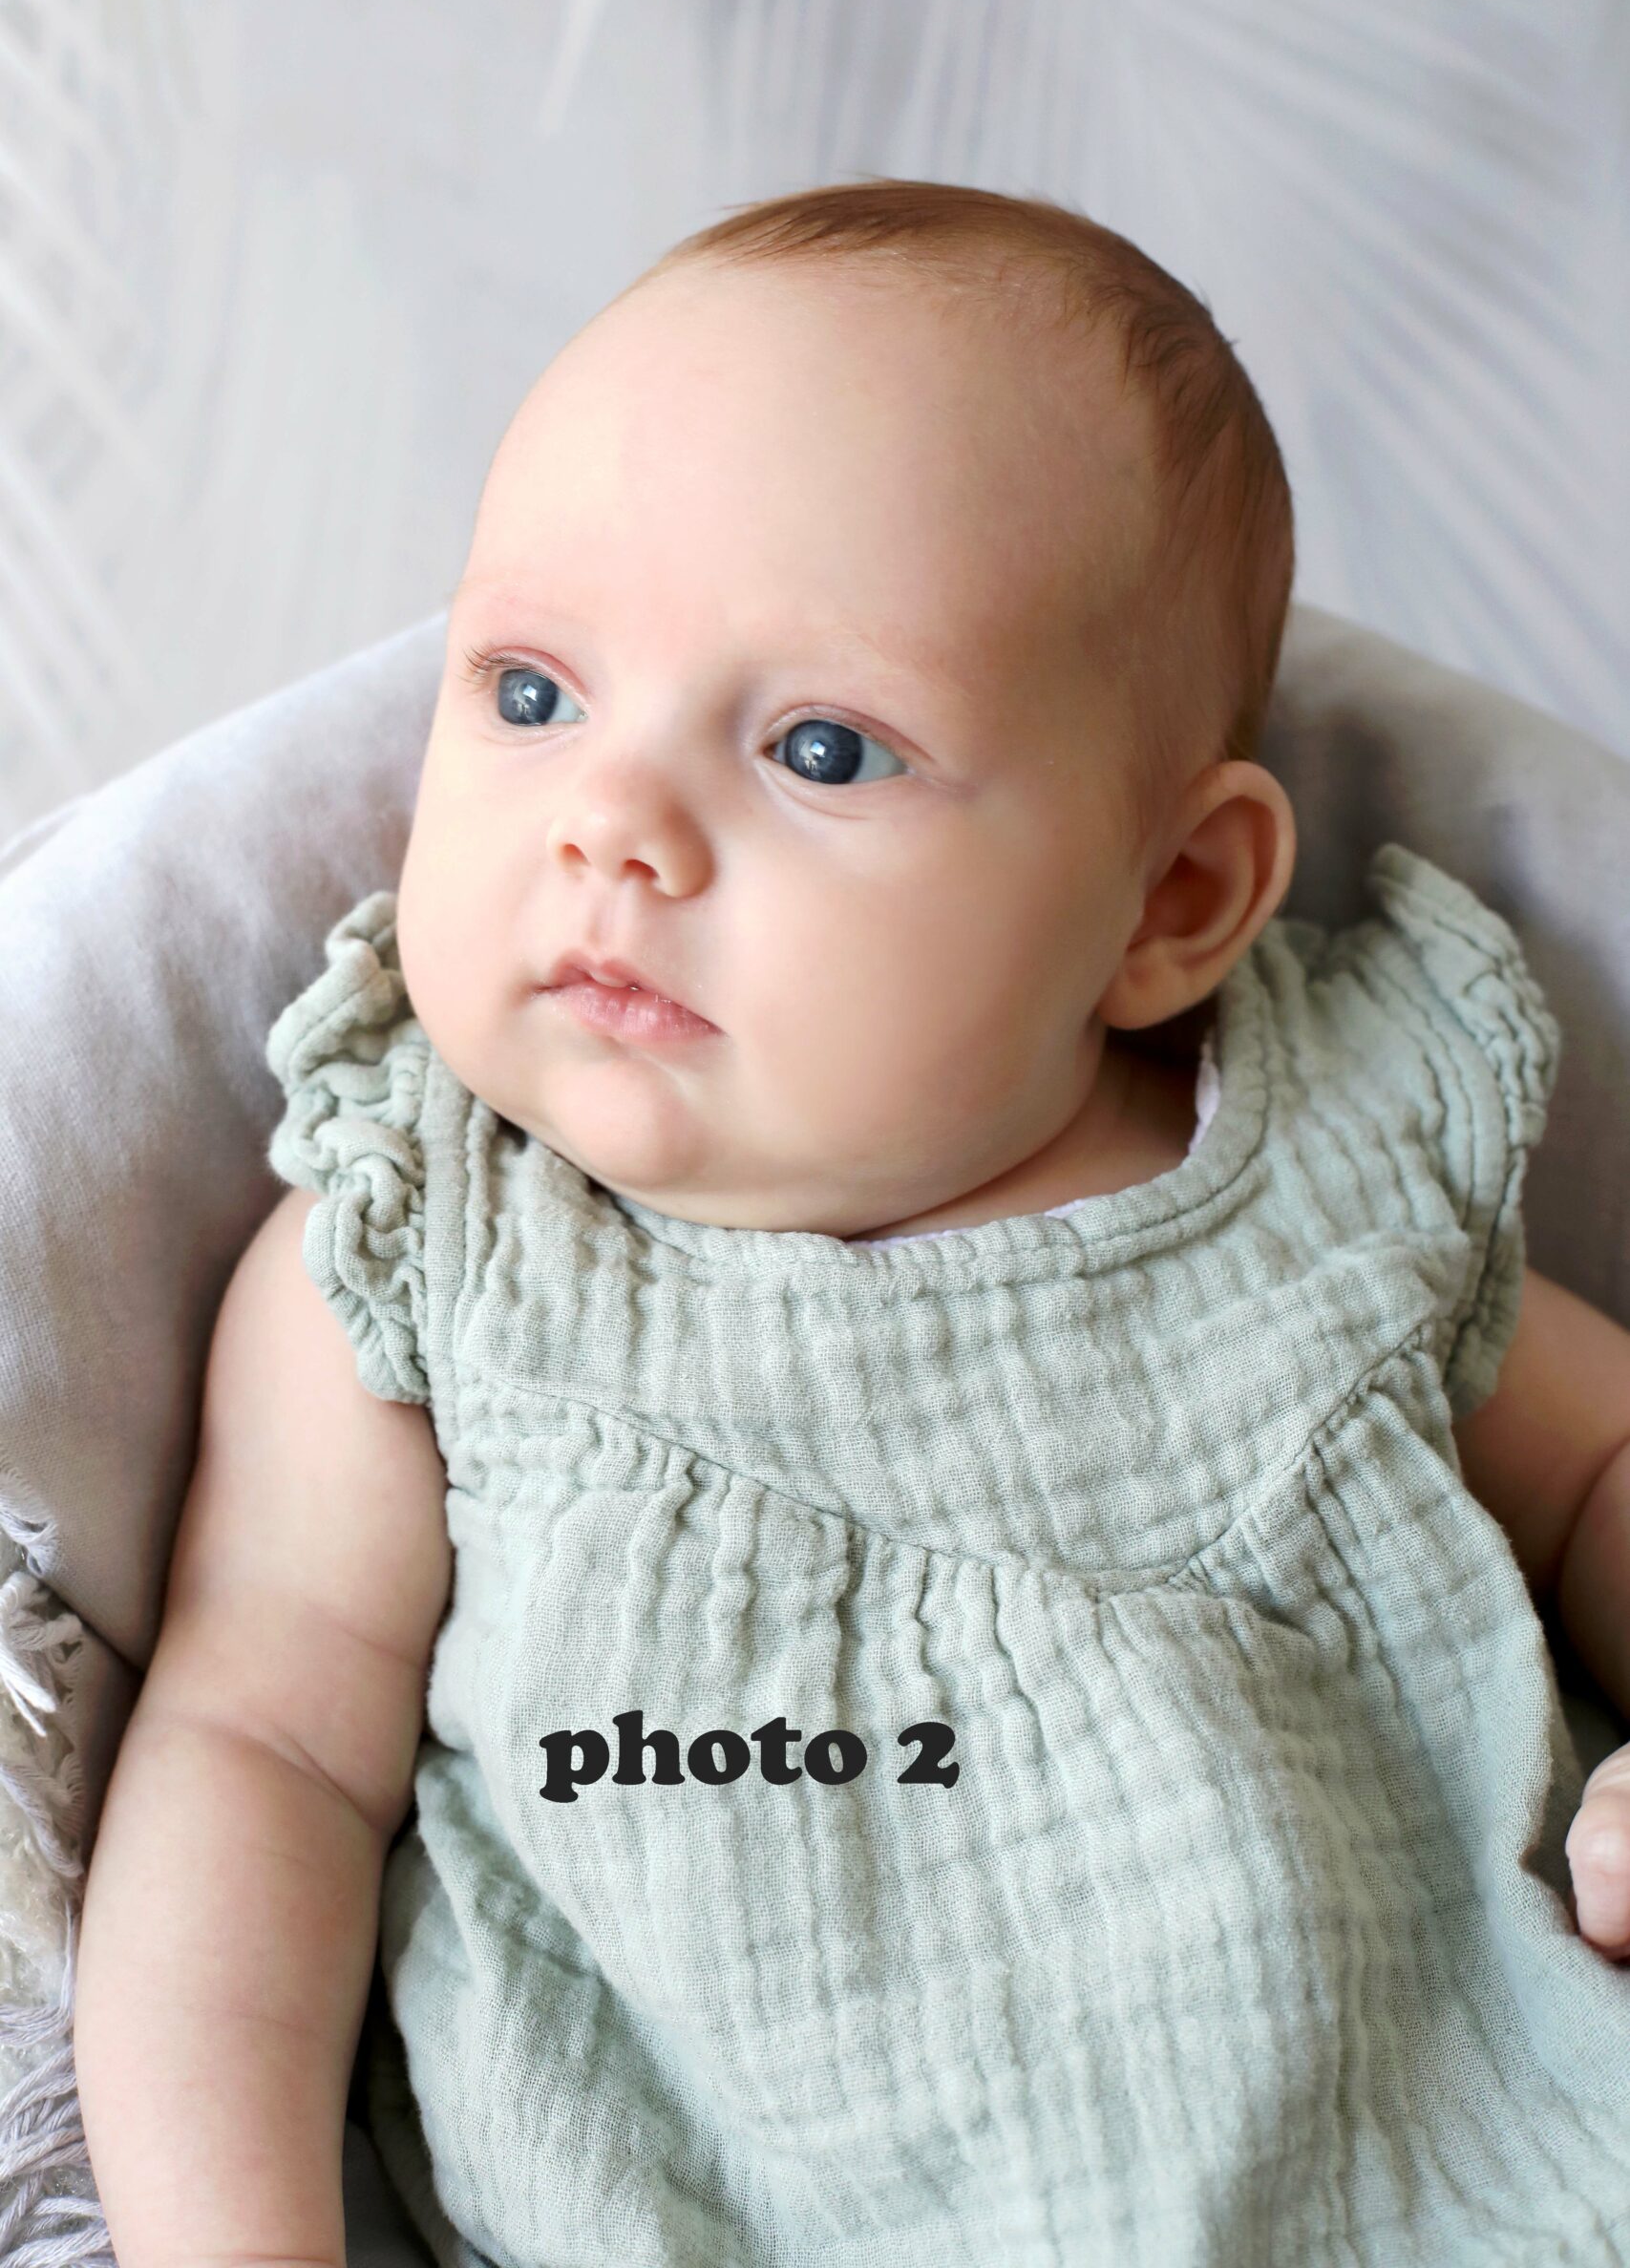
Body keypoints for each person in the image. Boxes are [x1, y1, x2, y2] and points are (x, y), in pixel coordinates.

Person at [74, 179, 1630, 2266]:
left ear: (1169, 904)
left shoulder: (1319, 1176)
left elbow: (1600, 1460)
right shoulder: (431, 1251)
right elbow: (258, 1751)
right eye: (530, 693)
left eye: (820, 746)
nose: (610, 821)